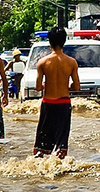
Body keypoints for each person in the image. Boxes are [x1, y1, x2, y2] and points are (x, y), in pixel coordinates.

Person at [33, 27, 80, 158]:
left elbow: (37, 87)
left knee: (42, 143)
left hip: (48, 103)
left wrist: (46, 84)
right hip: (64, 103)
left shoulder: (42, 62)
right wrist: (66, 86)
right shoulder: (71, 62)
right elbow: (77, 87)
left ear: (50, 42)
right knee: (61, 142)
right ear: (64, 41)